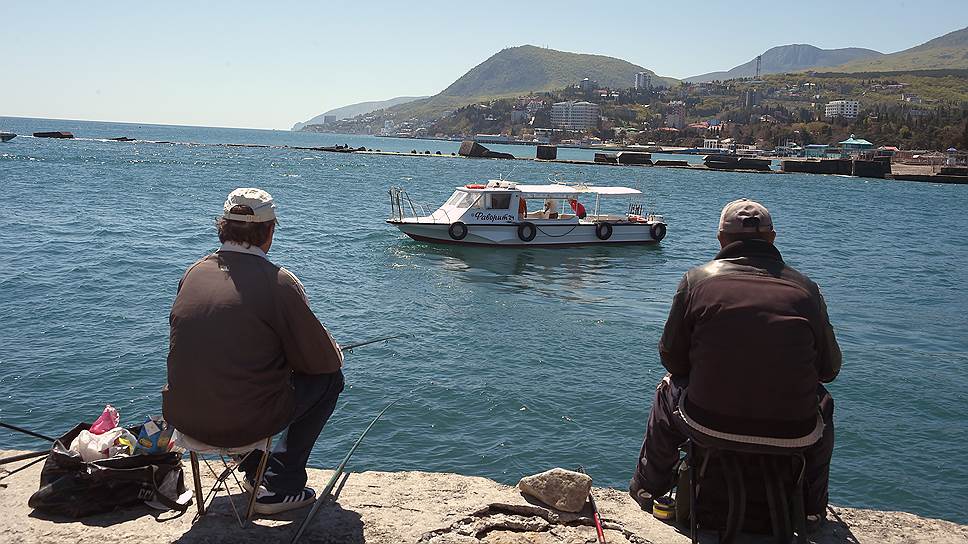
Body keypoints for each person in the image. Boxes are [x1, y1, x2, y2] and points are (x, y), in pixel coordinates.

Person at [630, 198, 841, 527]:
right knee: (823, 403)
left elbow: (671, 358)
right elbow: (830, 369)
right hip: (793, 431)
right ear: (772, 238)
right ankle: (812, 508)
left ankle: (648, 488)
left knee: (667, 389)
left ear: (720, 239)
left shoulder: (696, 282)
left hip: (706, 422)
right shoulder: (806, 290)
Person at [163, 187, 344, 515]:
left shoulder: (192, 274)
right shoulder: (279, 283)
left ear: (223, 227)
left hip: (184, 419)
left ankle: (251, 465)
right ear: (270, 230)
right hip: (239, 426)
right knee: (330, 379)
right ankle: (280, 483)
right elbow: (323, 362)